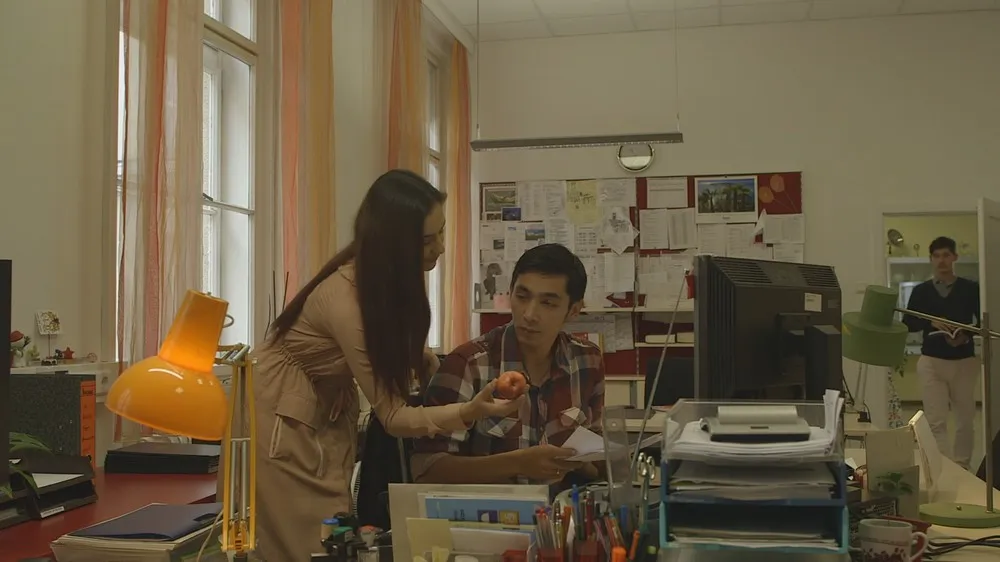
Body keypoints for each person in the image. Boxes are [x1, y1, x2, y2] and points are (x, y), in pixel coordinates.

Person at [252, 169, 524, 562]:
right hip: (280, 409)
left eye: (441, 233)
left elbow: (387, 344)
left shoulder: (383, 278)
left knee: (332, 529)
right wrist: (470, 411)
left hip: (323, 403)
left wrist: (423, 359)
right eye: (427, 240)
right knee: (307, 541)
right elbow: (394, 416)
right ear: (394, 243)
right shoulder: (347, 301)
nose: (440, 248)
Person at [411, 243, 605, 487]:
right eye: (522, 297)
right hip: (487, 508)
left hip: (560, 506)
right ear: (510, 292)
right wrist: (517, 464)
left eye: (548, 303)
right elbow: (427, 470)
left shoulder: (587, 361)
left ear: (573, 310)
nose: (529, 314)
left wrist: (586, 462)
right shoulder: (468, 364)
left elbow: (596, 454)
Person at [903, 236, 981, 469]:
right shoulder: (921, 291)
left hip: (964, 360)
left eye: (946, 255)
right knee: (935, 419)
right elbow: (908, 323)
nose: (941, 261)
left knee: (965, 418)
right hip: (932, 360)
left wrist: (965, 335)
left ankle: (962, 465)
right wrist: (931, 323)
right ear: (931, 259)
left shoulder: (971, 289)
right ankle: (943, 466)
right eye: (937, 256)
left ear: (955, 257)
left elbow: (982, 322)